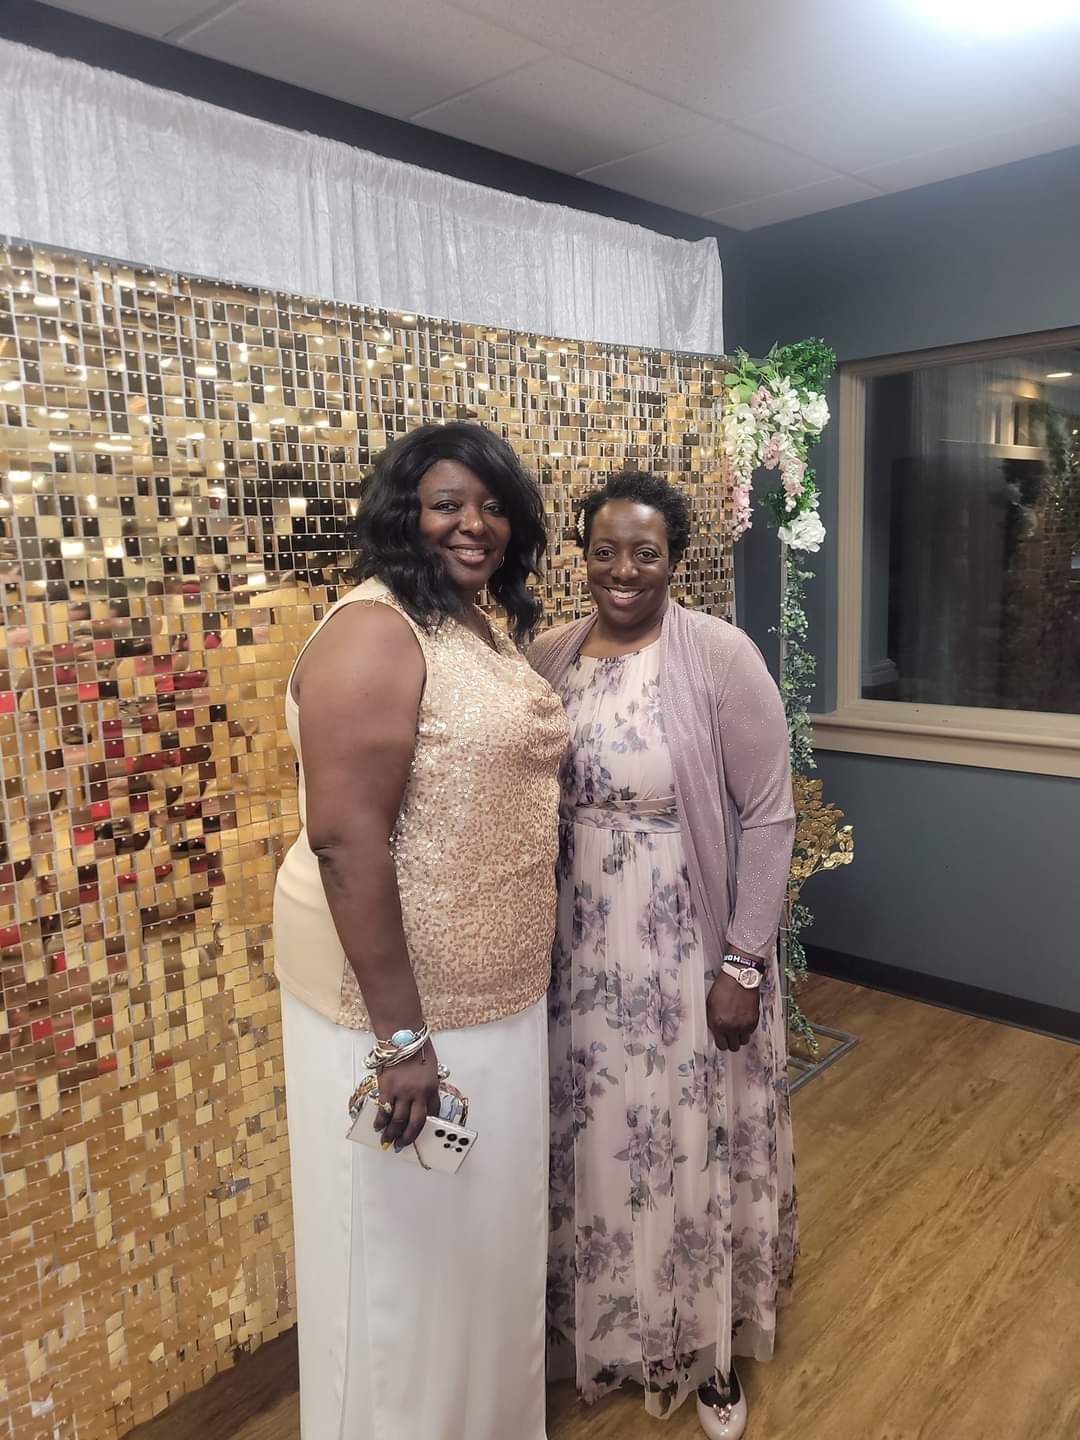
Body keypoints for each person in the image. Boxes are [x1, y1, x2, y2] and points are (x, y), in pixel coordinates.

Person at [272, 422, 569, 1440]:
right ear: (404, 510)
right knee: (401, 1269)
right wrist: (401, 1042)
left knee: (477, 1249)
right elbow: (348, 843)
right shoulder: (373, 628)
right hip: (397, 1012)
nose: (473, 524)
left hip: (494, 991)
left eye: (491, 506)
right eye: (447, 503)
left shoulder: (468, 621)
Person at [529, 472, 797, 1440]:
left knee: (687, 1139)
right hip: (576, 952)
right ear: (584, 556)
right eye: (605, 551)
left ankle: (708, 1350)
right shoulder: (551, 654)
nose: (623, 571)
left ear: (676, 559)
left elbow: (770, 816)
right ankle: (601, 1327)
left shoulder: (719, 656)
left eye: (645, 552)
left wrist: (743, 965)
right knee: (595, 1141)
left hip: (684, 946)